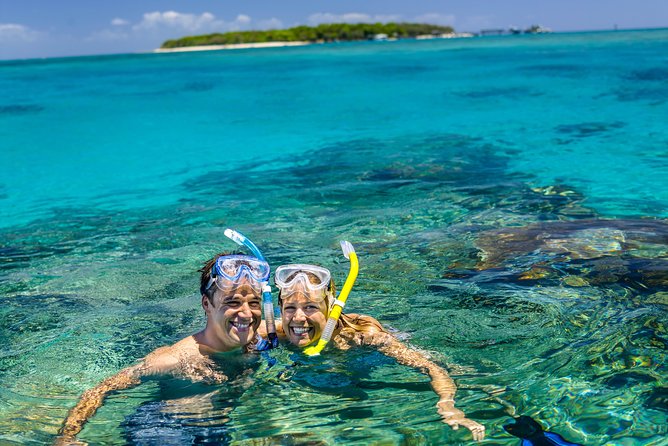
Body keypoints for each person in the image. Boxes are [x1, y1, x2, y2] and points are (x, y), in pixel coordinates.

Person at [261, 263, 486, 441]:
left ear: (330, 308)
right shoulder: (276, 332)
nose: (298, 318)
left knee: (452, 366)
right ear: (279, 309)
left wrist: (447, 404)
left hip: (393, 343)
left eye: (310, 307)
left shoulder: (362, 336)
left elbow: (431, 368)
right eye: (290, 308)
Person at [56, 253, 268, 442]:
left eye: (254, 303)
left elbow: (294, 321)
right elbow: (102, 389)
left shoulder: (257, 336)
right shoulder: (174, 360)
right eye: (233, 303)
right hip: (163, 428)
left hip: (213, 427)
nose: (247, 314)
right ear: (207, 304)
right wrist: (67, 436)